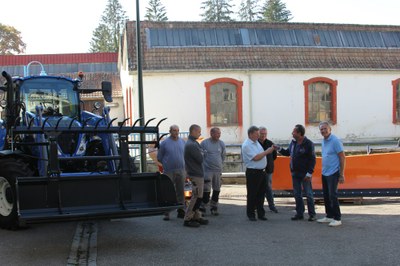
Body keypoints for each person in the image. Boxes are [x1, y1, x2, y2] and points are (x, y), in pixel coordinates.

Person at [276, 124, 317, 221]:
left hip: (305, 174)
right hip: (295, 173)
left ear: (299, 133)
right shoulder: (293, 143)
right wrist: (279, 149)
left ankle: (312, 214)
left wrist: (309, 173)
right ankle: (299, 213)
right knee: (297, 194)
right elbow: (288, 153)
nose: (292, 133)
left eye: (294, 132)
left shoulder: (308, 144)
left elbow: (312, 159)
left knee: (308, 194)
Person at [242, 126, 276, 221]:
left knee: (261, 193)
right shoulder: (247, 145)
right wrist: (267, 151)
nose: (259, 136)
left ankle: (261, 213)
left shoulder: (256, 142)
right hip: (253, 172)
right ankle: (251, 214)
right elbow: (256, 157)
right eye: (257, 134)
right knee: (252, 193)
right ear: (251, 134)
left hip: (262, 171)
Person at [317, 121, 346, 227]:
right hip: (325, 172)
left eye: (325, 129)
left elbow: (342, 157)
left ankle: (337, 218)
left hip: (333, 172)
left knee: (332, 195)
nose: (323, 131)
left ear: (330, 129)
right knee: (326, 195)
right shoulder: (324, 141)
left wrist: (341, 174)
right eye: (321, 129)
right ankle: (329, 216)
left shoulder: (335, 141)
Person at [157, 125, 186, 221]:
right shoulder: (164, 143)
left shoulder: (182, 142)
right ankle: (167, 212)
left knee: (181, 191)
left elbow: (185, 155)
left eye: (177, 130)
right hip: (169, 171)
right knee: (168, 191)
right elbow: (159, 157)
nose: (176, 132)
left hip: (181, 170)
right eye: (174, 130)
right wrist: (167, 164)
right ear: (170, 131)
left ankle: (181, 210)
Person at [183, 124, 208, 228]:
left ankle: (196, 216)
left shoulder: (194, 143)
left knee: (198, 197)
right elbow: (201, 158)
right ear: (193, 132)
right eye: (198, 132)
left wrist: (202, 152)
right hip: (195, 174)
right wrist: (203, 153)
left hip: (197, 173)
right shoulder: (191, 145)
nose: (200, 133)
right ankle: (187, 219)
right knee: (196, 197)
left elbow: (202, 153)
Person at [200, 127, 226, 216]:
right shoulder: (204, 143)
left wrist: (219, 166)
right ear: (211, 134)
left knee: (217, 189)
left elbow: (223, 156)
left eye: (219, 133)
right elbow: (201, 157)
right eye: (217, 133)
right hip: (207, 171)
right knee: (206, 189)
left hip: (217, 171)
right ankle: (203, 207)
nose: (219, 135)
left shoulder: (221, 143)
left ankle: (214, 207)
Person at [258, 126, 278, 213]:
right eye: (262, 134)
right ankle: (258, 206)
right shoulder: (255, 143)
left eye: (265, 134)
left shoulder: (270, 143)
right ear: (258, 133)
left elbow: (274, 156)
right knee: (258, 188)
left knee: (268, 188)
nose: (263, 135)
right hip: (258, 169)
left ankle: (272, 206)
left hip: (268, 169)